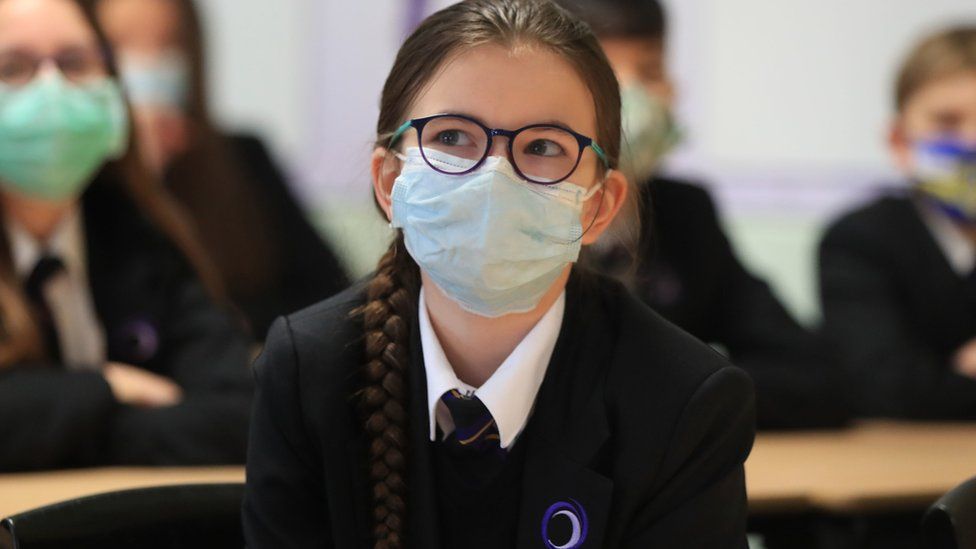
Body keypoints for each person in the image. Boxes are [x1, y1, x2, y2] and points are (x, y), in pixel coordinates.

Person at [242, 1, 756, 548]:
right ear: (390, 182)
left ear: (598, 207)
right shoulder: (307, 371)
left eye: (542, 148)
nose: (494, 179)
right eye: (452, 138)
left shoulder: (683, 401)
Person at [557, 0, 850, 430]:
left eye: (651, 72)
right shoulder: (523, 219)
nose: (634, 95)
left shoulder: (684, 211)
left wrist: (674, 393)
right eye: (606, 76)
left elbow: (816, 378)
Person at [0, 0, 251, 471]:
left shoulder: (140, 232)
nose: (52, 92)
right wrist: (108, 388)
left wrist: (65, 428)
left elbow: (240, 414)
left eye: (75, 63)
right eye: (13, 68)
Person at [90, 0, 350, 339]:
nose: (150, 64)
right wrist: (142, 176)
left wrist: (232, 327)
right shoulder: (78, 181)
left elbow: (332, 296)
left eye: (168, 45)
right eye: (122, 46)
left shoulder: (244, 157)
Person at [820, 26, 976, 419]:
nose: (972, 140)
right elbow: (881, 387)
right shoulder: (858, 239)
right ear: (898, 141)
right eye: (947, 122)